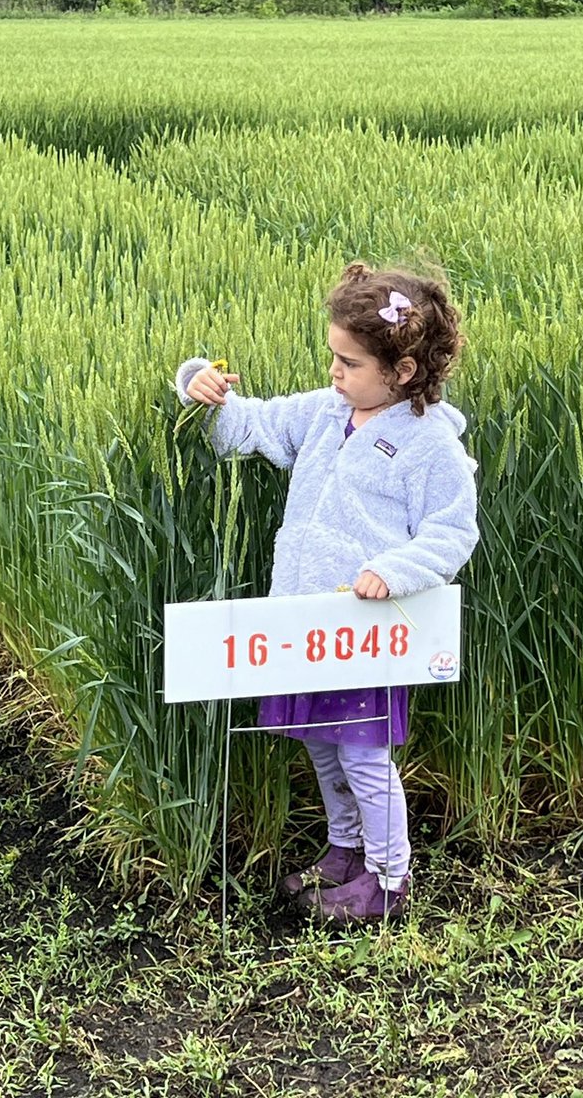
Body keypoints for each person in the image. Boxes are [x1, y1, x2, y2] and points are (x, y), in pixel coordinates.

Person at [175, 261, 479, 926]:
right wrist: (201, 385)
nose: (335, 374)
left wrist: (397, 570)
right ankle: (345, 850)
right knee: (318, 740)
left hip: (367, 629)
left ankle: (388, 879)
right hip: (306, 622)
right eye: (332, 358)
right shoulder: (323, 413)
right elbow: (243, 428)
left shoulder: (430, 445)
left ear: (401, 372)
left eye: (350, 362)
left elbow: (453, 532)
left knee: (364, 756)